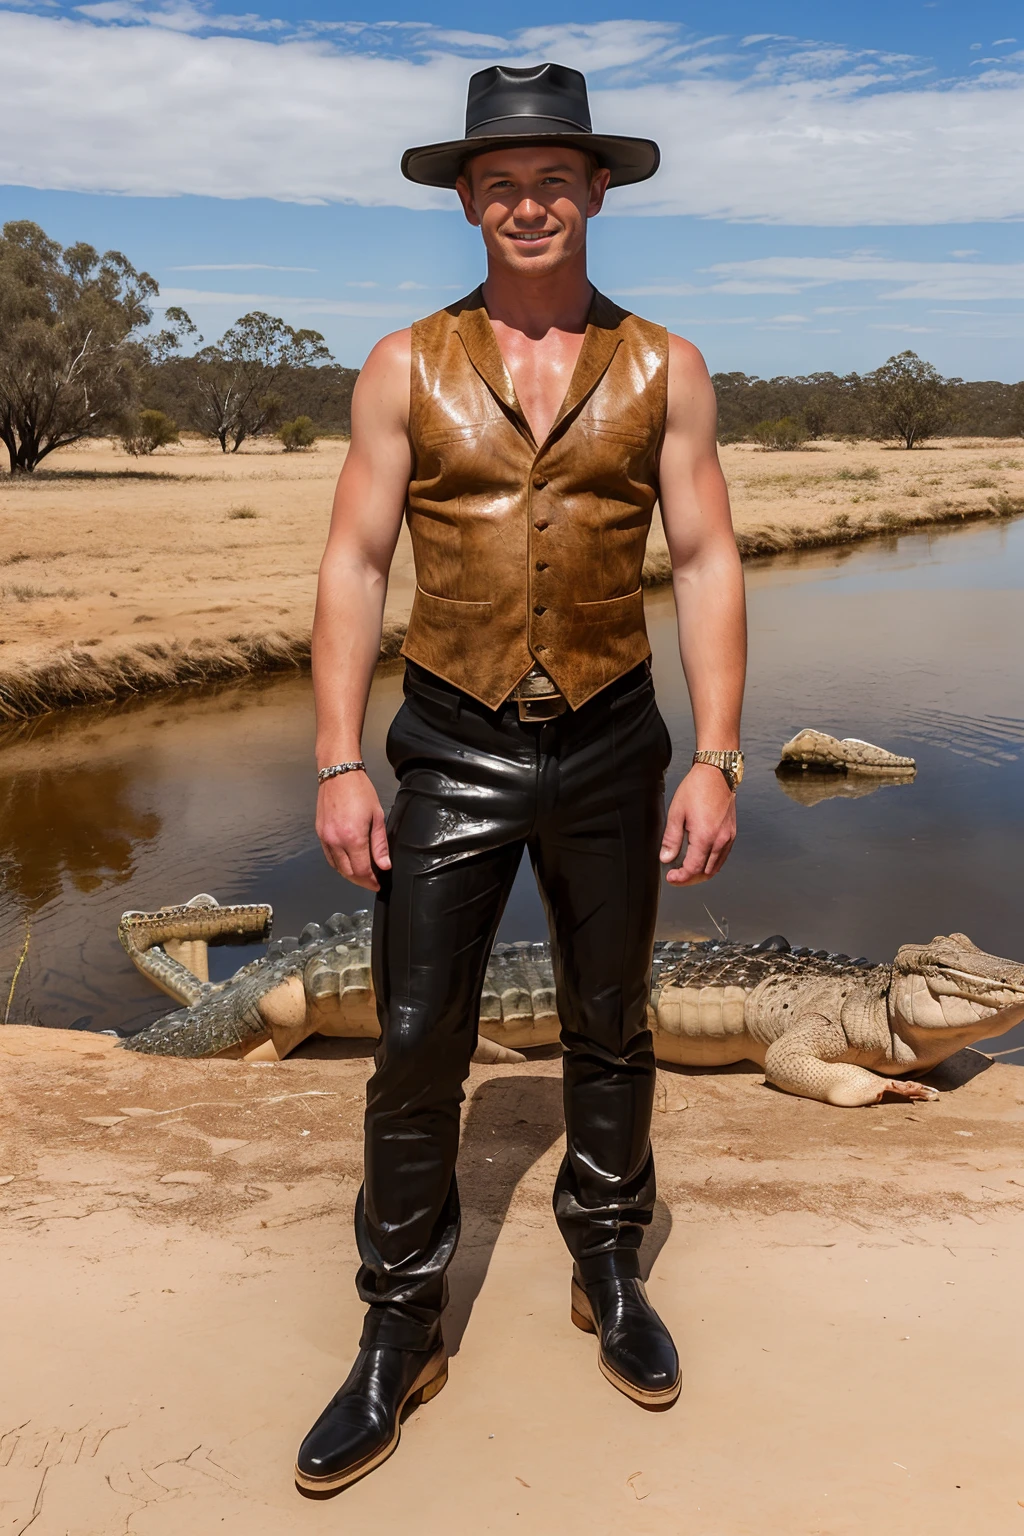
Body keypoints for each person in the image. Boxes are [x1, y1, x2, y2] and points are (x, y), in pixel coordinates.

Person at [296, 61, 746, 1493]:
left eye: (555, 177)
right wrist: (336, 762)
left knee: (610, 1025)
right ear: (468, 201)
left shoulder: (666, 365)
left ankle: (608, 1271)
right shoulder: (401, 364)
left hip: (618, 740)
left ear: (598, 190)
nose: (529, 201)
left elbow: (708, 560)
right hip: (452, 741)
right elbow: (356, 564)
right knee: (419, 1038)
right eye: (503, 182)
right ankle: (398, 1327)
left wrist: (721, 754)